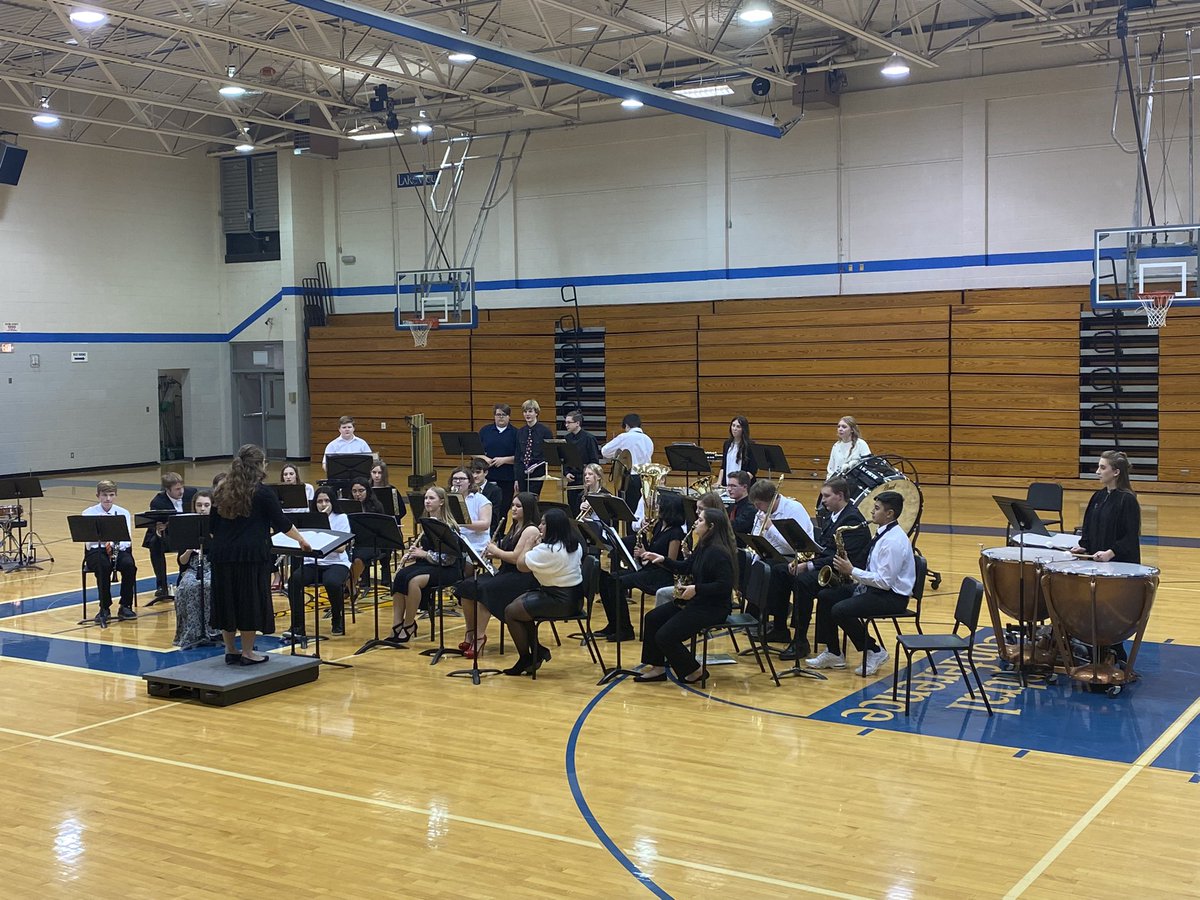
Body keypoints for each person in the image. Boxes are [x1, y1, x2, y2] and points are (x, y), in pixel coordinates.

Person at [209, 444, 311, 665]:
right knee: (249, 601)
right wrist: (302, 540)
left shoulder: (222, 490)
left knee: (227, 601)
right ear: (259, 465)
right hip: (250, 555)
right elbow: (282, 523)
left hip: (221, 554)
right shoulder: (262, 492)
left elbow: (212, 526)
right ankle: (247, 652)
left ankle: (230, 650)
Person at [810, 489, 915, 676]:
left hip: (891, 597)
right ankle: (834, 653)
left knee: (840, 610)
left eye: (877, 508)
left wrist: (851, 571)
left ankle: (874, 650)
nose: (872, 512)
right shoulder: (882, 533)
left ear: (889, 513)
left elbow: (884, 582)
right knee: (826, 596)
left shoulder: (893, 542)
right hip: (872, 589)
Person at [634, 507, 737, 684]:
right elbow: (686, 567)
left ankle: (695, 671)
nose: (696, 522)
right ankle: (657, 668)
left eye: (701, 520)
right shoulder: (703, 545)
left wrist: (696, 589)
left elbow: (724, 585)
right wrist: (662, 560)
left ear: (711, 526)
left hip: (712, 608)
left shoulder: (719, 552)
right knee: (652, 618)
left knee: (665, 636)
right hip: (697, 602)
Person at [780, 477, 870, 661]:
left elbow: (841, 556)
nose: (823, 501)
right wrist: (802, 560)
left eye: (827, 496)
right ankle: (780, 627)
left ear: (840, 495)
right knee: (782, 572)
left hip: (843, 572)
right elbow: (823, 547)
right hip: (827, 565)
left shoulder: (852, 518)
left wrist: (809, 565)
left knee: (803, 582)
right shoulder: (831, 515)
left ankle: (800, 640)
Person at [455, 492, 541, 659]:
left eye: (518, 506)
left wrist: (496, 551)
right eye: (513, 505)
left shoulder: (531, 529)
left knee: (485, 590)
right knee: (467, 586)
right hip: (506, 573)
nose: (513, 509)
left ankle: (480, 637)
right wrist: (492, 553)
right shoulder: (515, 525)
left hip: (521, 577)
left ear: (528, 508)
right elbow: (505, 552)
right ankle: (470, 632)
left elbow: (516, 558)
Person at [503, 508, 585, 676]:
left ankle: (526, 658)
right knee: (519, 605)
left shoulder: (549, 550)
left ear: (553, 527)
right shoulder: (574, 544)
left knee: (511, 612)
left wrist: (527, 545)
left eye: (543, 523)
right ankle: (537, 650)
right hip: (575, 598)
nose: (539, 527)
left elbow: (521, 565)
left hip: (559, 601)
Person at [598, 492, 685, 642]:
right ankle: (614, 624)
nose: (656, 508)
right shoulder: (658, 526)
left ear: (668, 509)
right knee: (607, 579)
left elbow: (670, 563)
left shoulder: (676, 533)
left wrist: (646, 554)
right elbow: (652, 551)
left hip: (663, 576)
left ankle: (625, 629)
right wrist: (642, 550)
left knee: (616, 582)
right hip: (651, 570)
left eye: (659, 505)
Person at [385, 486, 462, 645]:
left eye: (431, 498)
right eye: (426, 498)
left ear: (442, 502)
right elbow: (428, 548)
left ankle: (409, 624)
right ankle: (397, 624)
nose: (427, 501)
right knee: (400, 576)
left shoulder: (450, 526)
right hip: (428, 564)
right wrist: (414, 554)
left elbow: (449, 559)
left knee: (413, 581)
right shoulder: (426, 522)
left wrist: (425, 554)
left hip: (447, 569)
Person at [746, 479, 814, 644]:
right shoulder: (762, 511)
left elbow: (797, 545)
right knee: (748, 564)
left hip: (795, 559)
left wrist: (771, 527)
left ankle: (777, 624)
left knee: (771, 572)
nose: (757, 508)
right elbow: (757, 536)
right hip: (772, 556)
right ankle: (759, 618)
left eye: (759, 504)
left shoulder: (794, 509)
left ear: (771, 501)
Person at [284, 487, 352, 639]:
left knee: (332, 582)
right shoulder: (309, 518)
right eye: (320, 501)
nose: (323, 504)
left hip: (336, 563)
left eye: (327, 501)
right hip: (312, 562)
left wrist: (324, 526)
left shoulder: (341, 518)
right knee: (294, 581)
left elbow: (341, 548)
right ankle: (297, 625)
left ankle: (337, 618)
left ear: (332, 502)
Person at [82, 479, 138, 627]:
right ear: (98, 495)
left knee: (129, 565)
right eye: (104, 495)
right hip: (97, 550)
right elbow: (88, 543)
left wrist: (114, 544)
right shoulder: (88, 513)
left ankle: (125, 605)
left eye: (111, 495)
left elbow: (127, 541)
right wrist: (105, 542)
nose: (108, 499)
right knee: (103, 567)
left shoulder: (123, 513)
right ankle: (104, 607)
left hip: (118, 548)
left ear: (115, 495)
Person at [1070, 450, 1141, 564]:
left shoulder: (1127, 500)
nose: (1097, 472)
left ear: (1116, 472)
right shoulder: (1098, 496)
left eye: (1102, 468)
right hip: (1097, 561)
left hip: (1120, 563)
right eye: (1098, 467)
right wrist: (1085, 546)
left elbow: (1130, 536)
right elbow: (1088, 526)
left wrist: (1111, 553)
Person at [172, 490, 222, 650]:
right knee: (187, 587)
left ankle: (213, 631)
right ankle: (191, 632)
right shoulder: (187, 526)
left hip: (214, 566)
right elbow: (182, 562)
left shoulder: (219, 525)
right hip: (193, 568)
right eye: (199, 505)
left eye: (206, 505)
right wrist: (189, 549)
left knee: (208, 586)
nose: (202, 508)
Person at [143, 472, 196, 601]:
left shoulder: (192, 493)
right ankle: (161, 585)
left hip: (187, 533)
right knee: (155, 544)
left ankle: (183, 578)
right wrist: (160, 528)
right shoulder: (158, 502)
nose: (181, 491)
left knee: (187, 543)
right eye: (177, 489)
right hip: (169, 535)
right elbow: (155, 523)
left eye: (182, 487)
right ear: (167, 490)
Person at [601, 413, 654, 513]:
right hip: (645, 479)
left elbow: (605, 451)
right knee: (641, 509)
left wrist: (616, 452)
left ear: (626, 425)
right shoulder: (648, 439)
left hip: (629, 479)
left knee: (628, 511)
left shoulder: (624, 437)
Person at [478, 403, 519, 519]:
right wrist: (485, 458)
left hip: (507, 477)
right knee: (485, 506)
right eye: (498, 414)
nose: (501, 417)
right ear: (494, 416)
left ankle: (500, 530)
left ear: (509, 417)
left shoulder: (516, 433)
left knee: (503, 508)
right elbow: (474, 451)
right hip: (487, 476)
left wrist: (504, 460)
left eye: (504, 415)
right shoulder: (485, 431)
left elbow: (520, 457)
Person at [349, 477, 389, 592]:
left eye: (361, 491)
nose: (357, 494)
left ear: (367, 491)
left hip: (372, 543)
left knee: (359, 558)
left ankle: (350, 585)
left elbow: (382, 528)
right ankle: (351, 586)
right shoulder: (347, 507)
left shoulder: (376, 506)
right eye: (354, 491)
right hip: (354, 542)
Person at [449, 467, 492, 568]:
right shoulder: (448, 499)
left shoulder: (481, 500)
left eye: (462, 479)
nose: (457, 482)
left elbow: (485, 525)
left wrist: (462, 521)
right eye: (455, 479)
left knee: (463, 566)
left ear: (469, 482)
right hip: (453, 544)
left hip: (475, 546)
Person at [563, 409, 602, 514]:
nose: (566, 425)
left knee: (583, 508)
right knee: (572, 508)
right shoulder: (566, 438)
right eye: (565, 422)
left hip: (585, 478)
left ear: (577, 423)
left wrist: (588, 475)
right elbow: (565, 459)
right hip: (572, 479)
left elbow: (594, 461)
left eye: (569, 422)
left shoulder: (589, 438)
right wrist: (566, 473)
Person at [516, 399, 554, 496]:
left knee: (532, 498)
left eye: (530, 411)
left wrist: (536, 465)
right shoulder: (520, 432)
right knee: (522, 498)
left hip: (537, 470)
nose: (527, 414)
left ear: (536, 413)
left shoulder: (545, 431)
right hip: (522, 471)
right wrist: (516, 478)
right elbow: (518, 455)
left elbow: (549, 454)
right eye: (525, 412)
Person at [718, 416, 758, 483]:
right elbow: (723, 466)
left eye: (738, 427)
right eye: (733, 425)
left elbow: (752, 471)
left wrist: (740, 484)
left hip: (743, 484)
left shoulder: (750, 445)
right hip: (728, 483)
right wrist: (719, 482)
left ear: (743, 429)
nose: (734, 429)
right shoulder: (727, 444)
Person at [470, 458, 504, 532]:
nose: (474, 476)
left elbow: (495, 516)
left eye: (478, 472)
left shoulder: (495, 490)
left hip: (487, 529)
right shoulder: (467, 489)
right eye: (472, 473)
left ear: (485, 473)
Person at [725, 471, 756, 535]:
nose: (729, 489)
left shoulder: (751, 508)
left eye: (733, 486)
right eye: (728, 485)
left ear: (745, 487)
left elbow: (735, 526)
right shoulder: (732, 505)